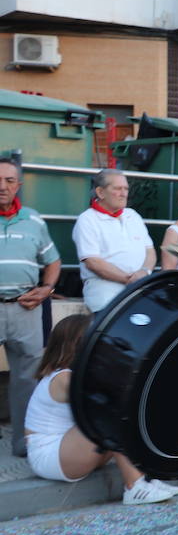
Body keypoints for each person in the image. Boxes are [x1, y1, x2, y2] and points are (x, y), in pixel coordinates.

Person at [23, 313, 178, 502]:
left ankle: (146, 478)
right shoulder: (63, 378)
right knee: (108, 417)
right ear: (78, 343)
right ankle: (134, 487)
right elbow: (107, 399)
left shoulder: (75, 374)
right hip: (50, 456)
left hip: (72, 450)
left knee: (123, 417)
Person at [0, 158, 60, 458]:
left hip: (26, 308)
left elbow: (53, 260)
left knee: (27, 379)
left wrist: (47, 288)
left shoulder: (34, 219)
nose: (2, 186)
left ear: (18, 185)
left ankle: (24, 444)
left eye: (10, 180)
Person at [73, 170, 155, 313]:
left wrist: (144, 272)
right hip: (105, 291)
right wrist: (128, 279)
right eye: (117, 188)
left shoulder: (133, 216)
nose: (124, 193)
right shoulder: (87, 219)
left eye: (126, 189)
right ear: (100, 192)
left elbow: (150, 251)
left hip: (139, 288)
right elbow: (93, 262)